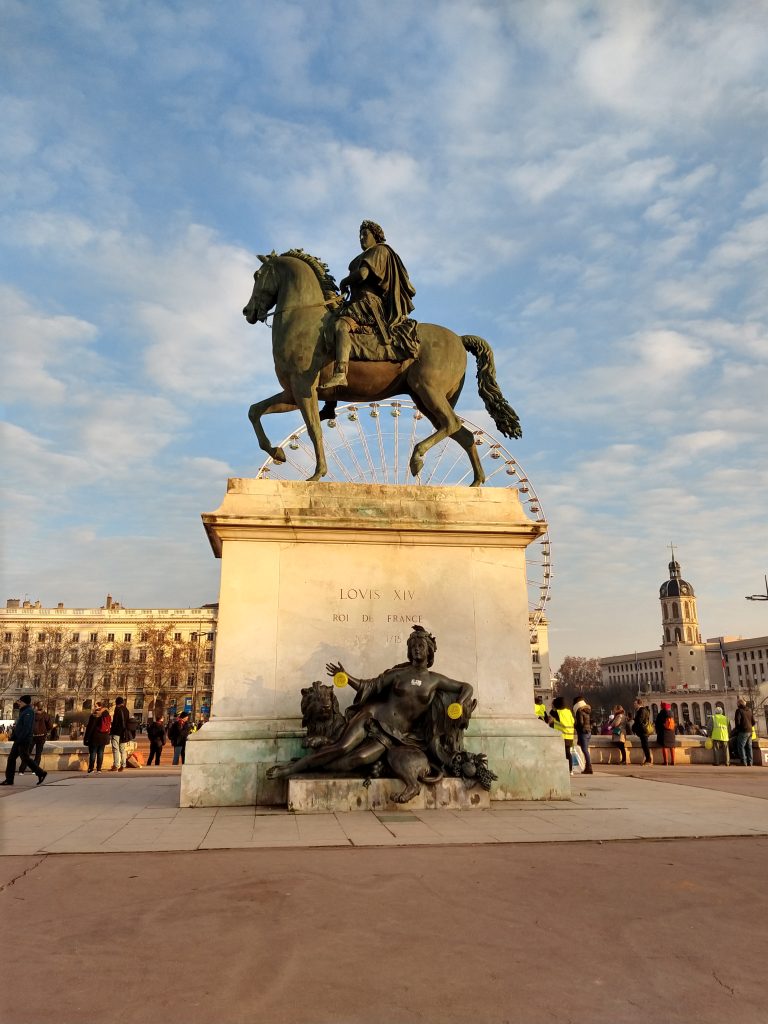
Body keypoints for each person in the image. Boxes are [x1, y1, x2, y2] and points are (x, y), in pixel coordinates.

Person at [266, 625, 473, 781]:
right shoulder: (399, 673)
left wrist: (462, 703)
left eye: (420, 646)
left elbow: (466, 686)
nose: (416, 649)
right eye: (413, 646)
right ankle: (291, 769)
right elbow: (370, 686)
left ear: (429, 652)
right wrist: (346, 677)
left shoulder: (436, 680)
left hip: (393, 734)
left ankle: (312, 766)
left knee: (359, 759)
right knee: (342, 747)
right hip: (373, 716)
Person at [325, 220, 417, 387]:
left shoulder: (379, 250)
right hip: (355, 301)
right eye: (359, 235)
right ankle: (331, 401)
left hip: (368, 304)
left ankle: (340, 373)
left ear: (375, 236)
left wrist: (345, 281)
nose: (361, 238)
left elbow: (363, 273)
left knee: (340, 326)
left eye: (365, 234)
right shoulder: (360, 257)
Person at [1, 695, 47, 786]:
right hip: (20, 739)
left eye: (20, 702)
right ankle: (9, 779)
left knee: (24, 758)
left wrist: (19, 739)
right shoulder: (24, 711)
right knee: (13, 758)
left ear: (24, 702)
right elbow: (20, 727)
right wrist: (13, 736)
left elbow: (27, 728)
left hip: (23, 740)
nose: (18, 704)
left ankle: (41, 773)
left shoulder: (28, 712)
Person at [19, 700, 53, 774]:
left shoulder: (31, 714)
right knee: (38, 754)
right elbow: (50, 726)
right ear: (42, 707)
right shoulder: (46, 715)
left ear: (36, 707)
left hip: (32, 736)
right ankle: (35, 770)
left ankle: (21, 770)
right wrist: (45, 730)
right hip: (41, 736)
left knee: (27, 753)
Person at [549, 696, 575, 774]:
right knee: (568, 753)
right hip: (570, 736)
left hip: (561, 736)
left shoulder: (557, 712)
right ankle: (570, 770)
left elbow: (549, 717)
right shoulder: (568, 711)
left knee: (558, 753)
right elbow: (573, 721)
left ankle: (559, 769)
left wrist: (553, 706)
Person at [84, 701, 112, 774]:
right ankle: (99, 769)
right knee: (100, 752)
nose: (94, 707)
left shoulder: (94, 715)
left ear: (98, 706)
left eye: (95, 706)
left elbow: (90, 727)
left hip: (95, 736)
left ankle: (91, 768)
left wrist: (86, 737)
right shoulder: (107, 714)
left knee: (93, 753)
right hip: (104, 736)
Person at [109, 696, 131, 772]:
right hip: (124, 732)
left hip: (116, 732)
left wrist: (111, 731)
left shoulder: (117, 709)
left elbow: (115, 722)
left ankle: (116, 765)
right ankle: (123, 765)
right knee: (122, 749)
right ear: (123, 702)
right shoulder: (127, 710)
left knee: (115, 748)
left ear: (116, 702)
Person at [573, 694, 593, 774]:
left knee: (585, 750)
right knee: (585, 750)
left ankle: (589, 767)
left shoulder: (579, 711)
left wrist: (574, 725)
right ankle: (588, 767)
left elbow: (580, 723)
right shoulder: (587, 710)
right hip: (588, 732)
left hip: (583, 732)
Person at [632, 698, 653, 765]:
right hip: (643, 730)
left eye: (635, 703)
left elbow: (639, 721)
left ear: (639, 704)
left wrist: (634, 727)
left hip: (643, 730)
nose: (634, 705)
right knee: (644, 745)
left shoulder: (642, 710)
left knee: (645, 745)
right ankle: (647, 759)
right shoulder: (643, 710)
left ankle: (648, 760)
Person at [734, 697, 754, 767]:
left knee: (741, 746)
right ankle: (750, 762)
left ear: (739, 704)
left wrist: (737, 729)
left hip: (743, 731)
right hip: (750, 731)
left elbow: (738, 722)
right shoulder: (749, 710)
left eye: (737, 703)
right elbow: (753, 722)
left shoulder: (739, 711)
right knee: (749, 747)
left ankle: (744, 762)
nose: (737, 704)